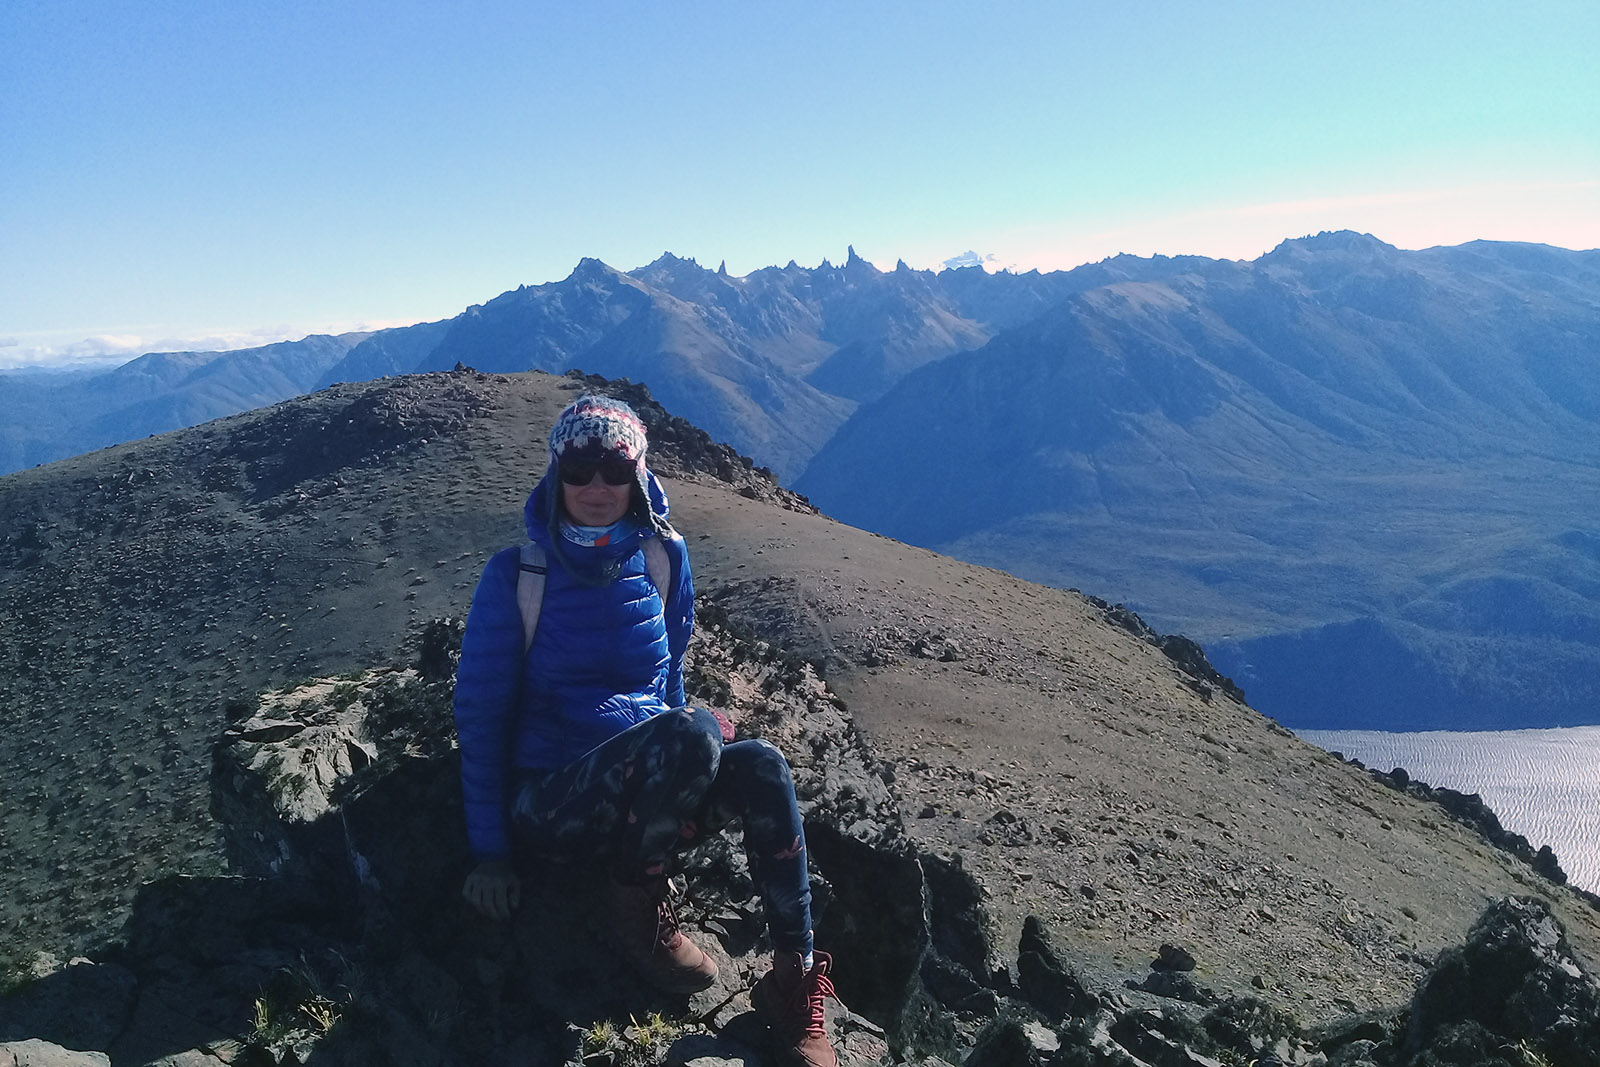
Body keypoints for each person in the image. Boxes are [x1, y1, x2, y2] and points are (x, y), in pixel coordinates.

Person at [452, 394, 838, 1067]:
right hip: (550, 804)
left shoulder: (662, 557)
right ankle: (634, 912)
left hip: (642, 796)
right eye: (580, 468)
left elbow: (669, 682)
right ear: (555, 472)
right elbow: (480, 717)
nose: (597, 486)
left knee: (766, 765)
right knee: (694, 731)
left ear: (637, 473)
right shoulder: (518, 576)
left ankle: (792, 977)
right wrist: (490, 852)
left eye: (614, 468)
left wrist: (690, 772)